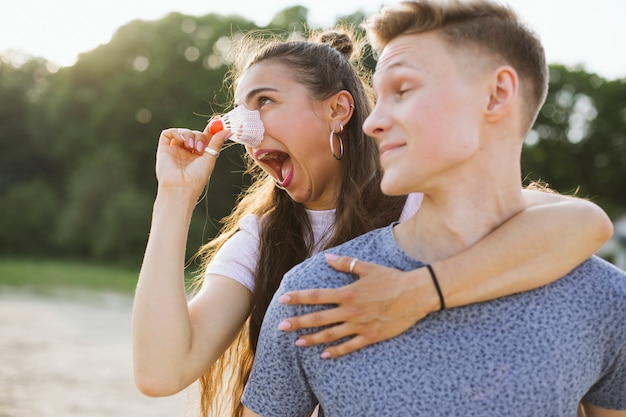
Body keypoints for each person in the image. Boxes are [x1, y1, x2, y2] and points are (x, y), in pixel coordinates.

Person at [132, 24, 614, 417]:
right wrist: (175, 196)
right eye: (241, 109)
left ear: (339, 110)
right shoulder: (265, 238)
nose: (247, 126)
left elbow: (585, 223)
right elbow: (161, 371)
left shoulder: (420, 197)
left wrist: (417, 293)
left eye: (265, 102)